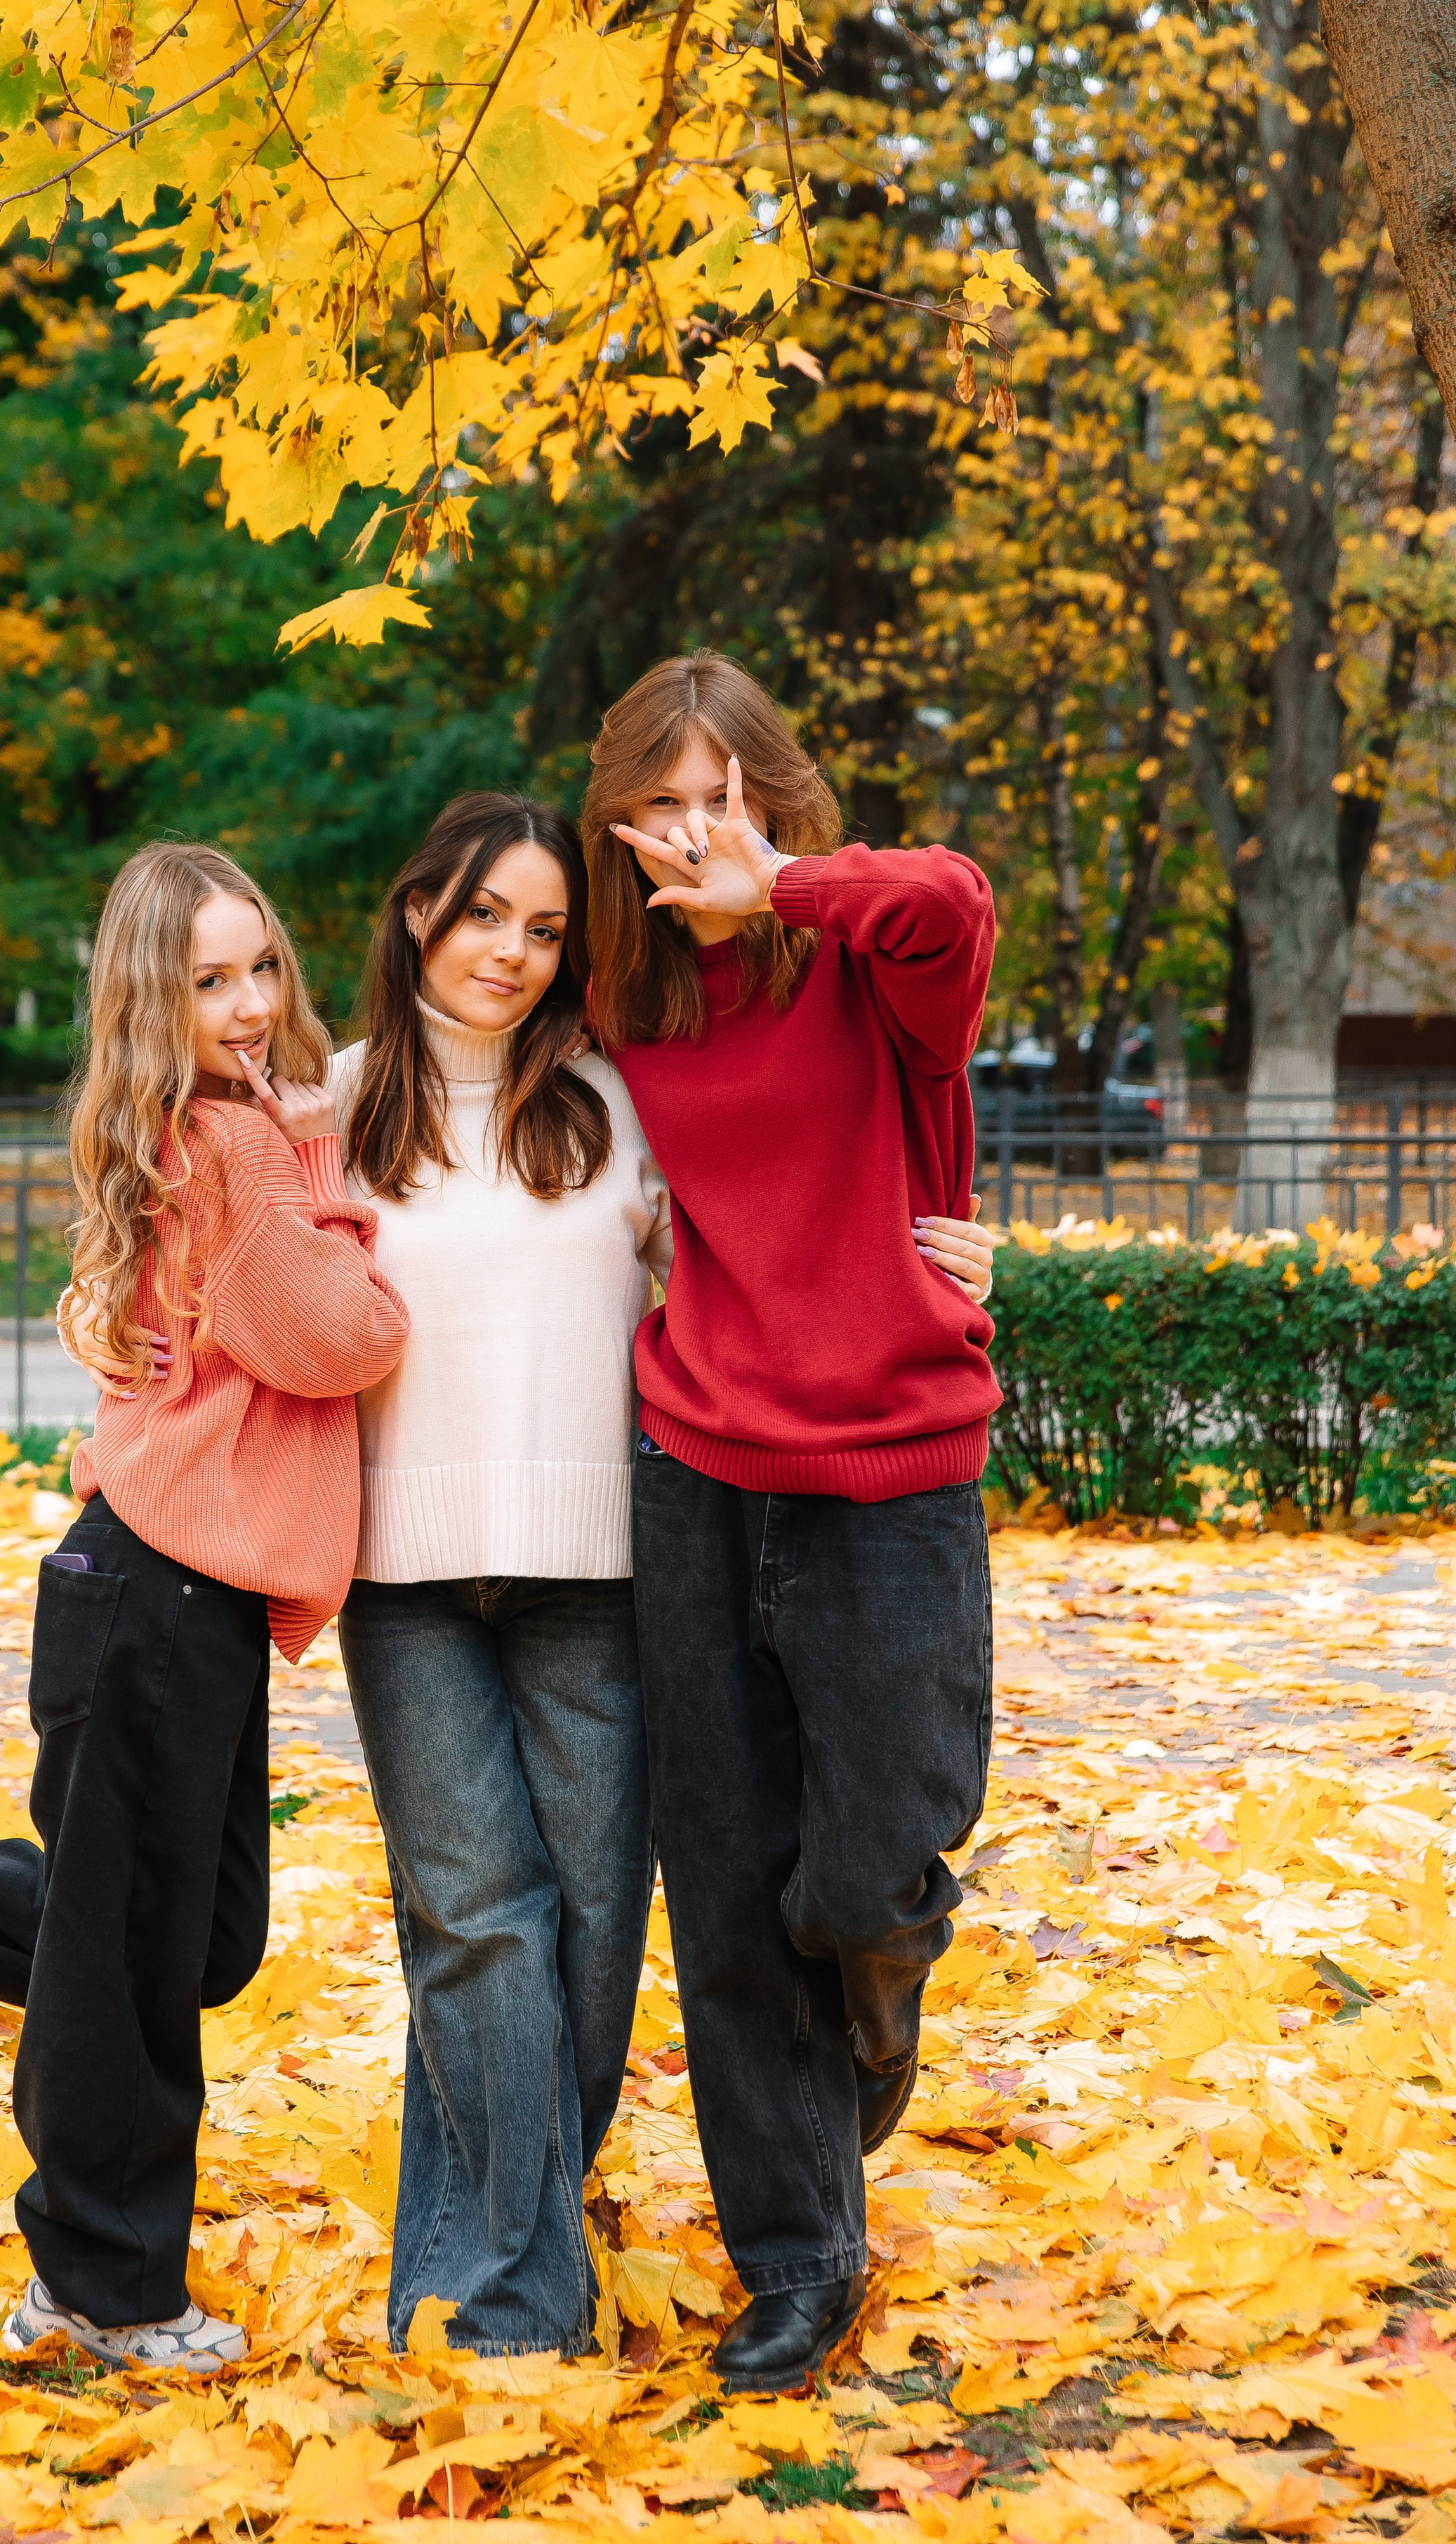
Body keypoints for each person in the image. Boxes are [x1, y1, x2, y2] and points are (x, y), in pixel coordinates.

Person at [76, 797, 992, 2361]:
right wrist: (92, 1316)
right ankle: (512, 2309)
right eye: (482, 914)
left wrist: (964, 1255)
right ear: (418, 912)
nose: (510, 952)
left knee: (584, 1931)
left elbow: (779, 1231)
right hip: (406, 1580)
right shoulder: (329, 1105)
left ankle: (477, 2263)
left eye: (545, 928)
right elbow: (182, 1235)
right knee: (473, 1925)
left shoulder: (617, 1100)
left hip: (601, 1572)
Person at [0, 843, 408, 2373]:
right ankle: (103, 2291)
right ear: (150, 1000)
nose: (247, 1005)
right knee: (129, 1964)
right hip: (157, 1602)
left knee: (193, 1942)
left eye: (259, 969)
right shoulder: (239, 1149)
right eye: (208, 981)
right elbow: (346, 1336)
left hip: (164, 1596)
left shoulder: (202, 1128)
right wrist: (350, 1216)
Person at [583, 652, 999, 2394]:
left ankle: (889, 1958)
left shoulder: (872, 960)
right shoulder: (618, 1002)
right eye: (660, 802)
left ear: (774, 794)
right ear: (618, 822)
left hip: (892, 1469)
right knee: (731, 1882)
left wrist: (784, 887)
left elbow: (955, 899)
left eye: (721, 794)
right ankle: (795, 2259)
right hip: (693, 1463)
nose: (694, 831)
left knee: (864, 1861)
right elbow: (442, 1044)